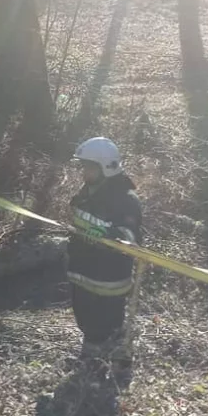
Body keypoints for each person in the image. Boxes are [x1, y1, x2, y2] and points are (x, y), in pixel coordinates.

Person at [66, 137, 142, 376]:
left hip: (108, 276)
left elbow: (129, 236)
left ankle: (102, 364)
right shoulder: (87, 192)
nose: (84, 172)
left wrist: (104, 233)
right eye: (83, 166)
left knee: (105, 324)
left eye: (89, 167)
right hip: (83, 270)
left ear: (106, 167)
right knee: (85, 319)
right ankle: (91, 357)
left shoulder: (126, 200)